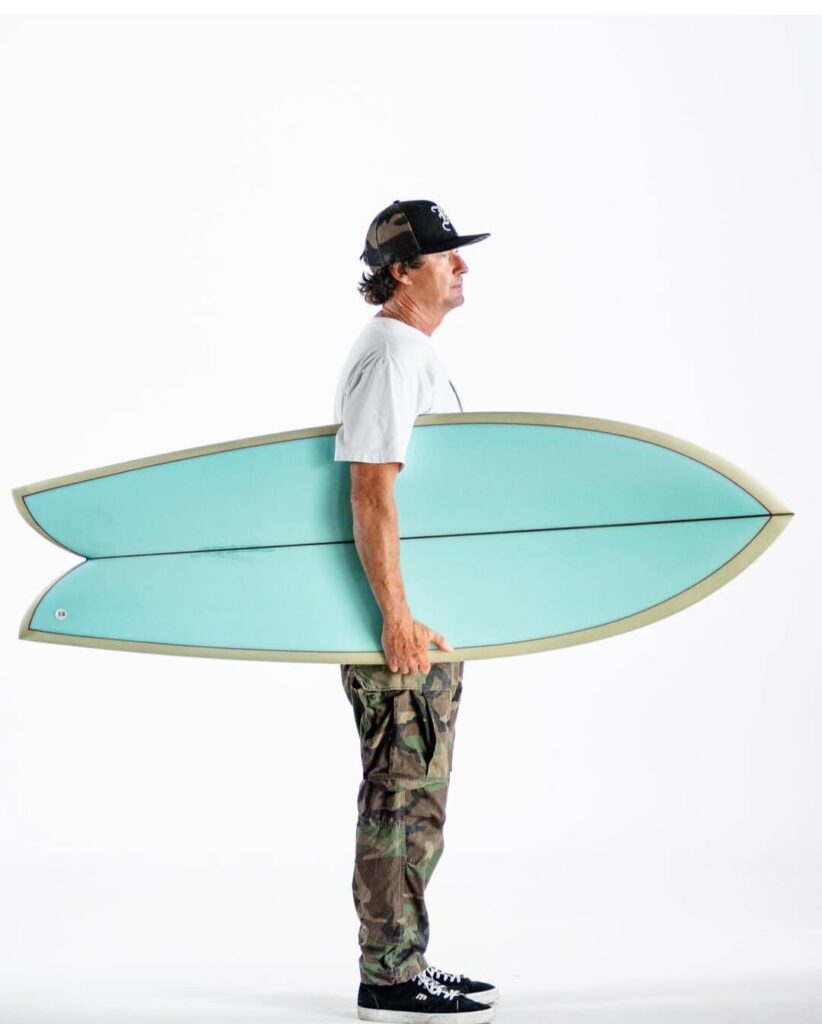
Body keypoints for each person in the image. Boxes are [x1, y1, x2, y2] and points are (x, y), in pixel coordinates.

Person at [333, 200, 498, 1022]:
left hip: (423, 622)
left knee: (420, 795)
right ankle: (389, 977)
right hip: (400, 627)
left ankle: (406, 962)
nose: (460, 265)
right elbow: (371, 486)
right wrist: (396, 617)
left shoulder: (409, 352)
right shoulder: (393, 354)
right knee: (398, 796)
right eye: (443, 254)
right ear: (402, 271)